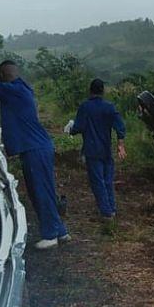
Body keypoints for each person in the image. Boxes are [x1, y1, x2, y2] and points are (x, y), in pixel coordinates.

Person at [0, 44, 69, 250]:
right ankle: (60, 231)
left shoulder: (12, 91)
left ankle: (51, 235)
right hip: (38, 147)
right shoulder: (19, 88)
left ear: (2, 74)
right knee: (45, 189)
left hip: (34, 149)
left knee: (40, 191)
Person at [66, 79, 126, 221]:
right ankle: (111, 208)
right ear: (103, 91)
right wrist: (120, 144)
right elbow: (120, 126)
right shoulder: (109, 107)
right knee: (108, 180)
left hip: (92, 150)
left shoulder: (85, 107)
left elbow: (78, 127)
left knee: (97, 181)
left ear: (90, 91)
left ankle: (106, 213)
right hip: (106, 149)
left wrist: (70, 128)